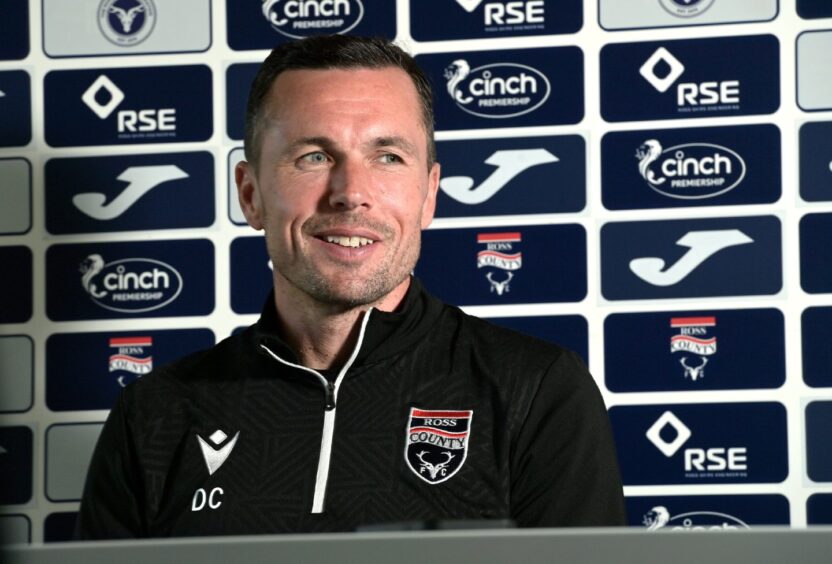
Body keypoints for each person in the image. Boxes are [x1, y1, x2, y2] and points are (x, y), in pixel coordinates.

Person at [76, 35, 626, 538]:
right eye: (313, 157)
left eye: (387, 157)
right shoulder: (154, 415)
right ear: (250, 195)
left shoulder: (534, 392)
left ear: (429, 194)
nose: (350, 193)